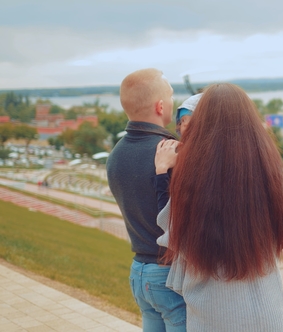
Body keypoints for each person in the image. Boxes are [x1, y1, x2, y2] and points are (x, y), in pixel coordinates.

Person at [154, 83, 283, 331]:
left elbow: (173, 236)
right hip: (267, 314)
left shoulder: (190, 176)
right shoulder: (269, 170)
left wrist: (162, 173)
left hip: (212, 314)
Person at [106, 68, 186, 332]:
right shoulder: (170, 151)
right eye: (171, 97)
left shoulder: (116, 154)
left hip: (139, 273)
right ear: (160, 105)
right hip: (169, 275)